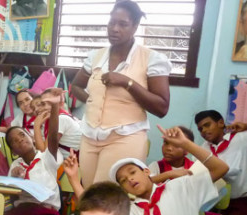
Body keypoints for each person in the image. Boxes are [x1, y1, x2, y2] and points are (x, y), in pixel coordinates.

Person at [65, 125, 228, 215]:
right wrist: (73, 178)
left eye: (132, 172)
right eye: (122, 180)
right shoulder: (131, 209)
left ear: (147, 171)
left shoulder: (179, 188)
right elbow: (93, 210)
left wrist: (186, 144)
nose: (129, 179)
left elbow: (220, 169)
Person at [70, 0, 172, 188]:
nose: (114, 29)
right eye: (111, 23)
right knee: (89, 192)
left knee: (108, 197)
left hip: (125, 137)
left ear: (135, 26)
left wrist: (127, 83)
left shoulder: (151, 59)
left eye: (123, 24)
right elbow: (75, 86)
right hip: (90, 136)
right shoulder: (96, 56)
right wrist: (91, 99)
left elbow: (162, 107)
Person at [194, 110, 247, 215]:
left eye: (207, 125)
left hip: (240, 202)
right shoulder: (203, 148)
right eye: (200, 129)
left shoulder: (242, 139)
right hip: (212, 202)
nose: (204, 131)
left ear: (220, 123)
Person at [31, 88, 82, 159]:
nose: (36, 110)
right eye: (33, 108)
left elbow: (44, 153)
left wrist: (36, 126)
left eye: (41, 104)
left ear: (59, 103)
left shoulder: (61, 119)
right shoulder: (55, 120)